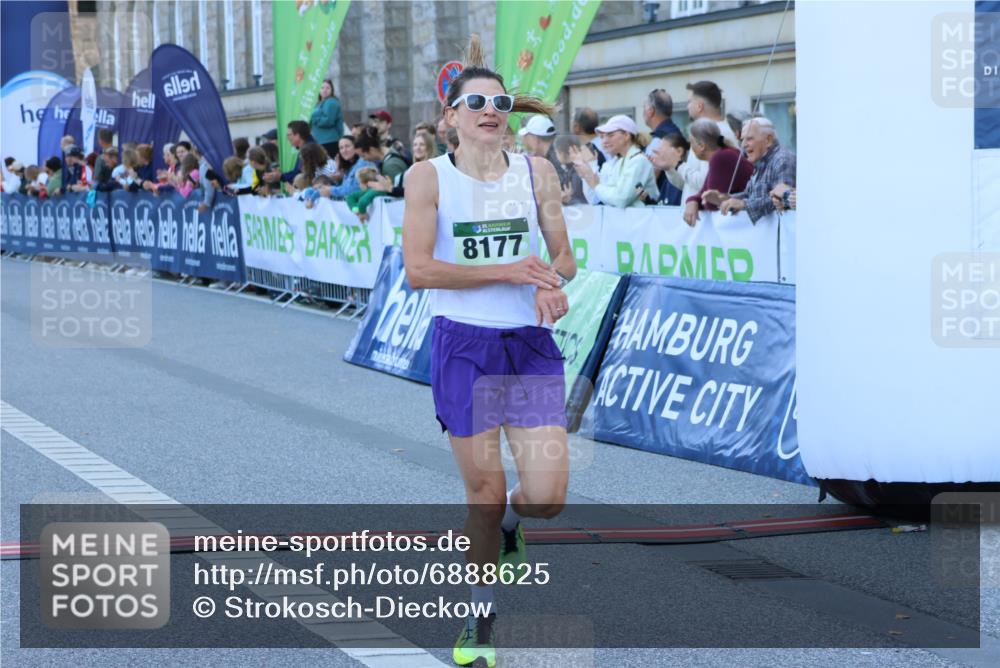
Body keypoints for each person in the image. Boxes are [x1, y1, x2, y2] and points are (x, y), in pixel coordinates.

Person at [402, 35, 575, 668]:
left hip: (528, 346)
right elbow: (419, 271)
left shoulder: (538, 172)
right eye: (475, 102)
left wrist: (551, 282)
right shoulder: (428, 177)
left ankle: (510, 528)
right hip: (464, 345)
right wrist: (507, 272)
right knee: (484, 491)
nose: (490, 111)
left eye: (499, 102)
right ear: (450, 115)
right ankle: (480, 618)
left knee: (546, 497)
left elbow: (564, 256)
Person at [663, 81, 739, 204]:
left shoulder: (717, 133)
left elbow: (705, 182)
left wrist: (679, 165)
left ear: (699, 106)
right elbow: (688, 185)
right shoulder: (704, 131)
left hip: (706, 213)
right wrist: (669, 167)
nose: (687, 107)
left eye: (689, 102)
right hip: (694, 211)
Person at [718, 117, 797, 222]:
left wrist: (744, 204)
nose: (743, 145)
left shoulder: (782, 160)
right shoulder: (761, 160)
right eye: (742, 140)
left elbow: (780, 200)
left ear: (768, 140)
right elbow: (750, 195)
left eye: (749, 139)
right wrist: (726, 199)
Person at [678, 119, 753, 226]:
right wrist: (692, 200)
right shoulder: (725, 153)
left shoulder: (721, 157)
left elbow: (712, 203)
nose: (691, 148)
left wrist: (699, 201)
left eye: (691, 143)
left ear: (701, 146)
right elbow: (704, 193)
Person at [572, 114, 656, 208]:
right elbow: (601, 198)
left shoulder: (639, 160)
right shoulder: (620, 162)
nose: (604, 141)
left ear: (626, 135)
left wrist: (595, 184)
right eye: (602, 137)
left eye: (611, 135)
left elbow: (621, 199)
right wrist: (589, 175)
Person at [644, 133, 689, 205]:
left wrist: (671, 166)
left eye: (661, 150)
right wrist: (647, 200)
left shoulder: (687, 176)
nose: (658, 154)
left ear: (679, 151)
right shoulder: (668, 179)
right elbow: (662, 207)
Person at [311, 79, 344, 157]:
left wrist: (314, 119)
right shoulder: (320, 103)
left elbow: (328, 121)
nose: (324, 90)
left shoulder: (331, 102)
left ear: (332, 90)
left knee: (329, 163)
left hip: (329, 141)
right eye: (322, 88)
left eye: (328, 88)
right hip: (321, 141)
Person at [553, 135, 588, 205]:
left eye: (556, 152)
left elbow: (583, 202)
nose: (556, 155)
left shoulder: (577, 173)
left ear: (561, 153)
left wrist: (568, 199)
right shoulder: (574, 169)